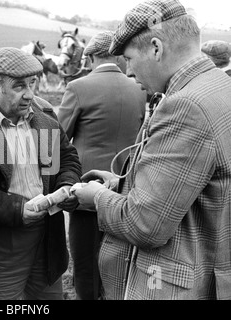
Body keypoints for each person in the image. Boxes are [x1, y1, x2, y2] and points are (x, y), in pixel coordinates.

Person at [70, 0, 231, 300]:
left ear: (156, 48)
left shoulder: (186, 106)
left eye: (129, 58)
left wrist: (99, 198)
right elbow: (192, 187)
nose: (128, 71)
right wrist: (123, 185)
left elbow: (145, 224)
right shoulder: (218, 86)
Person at [0, 47, 82, 300]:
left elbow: (68, 158)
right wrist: (16, 210)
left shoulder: (44, 113)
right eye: (19, 86)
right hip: (0, 243)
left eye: (33, 83)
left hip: (47, 240)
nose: (29, 95)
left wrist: (68, 186)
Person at [57, 31, 147, 300]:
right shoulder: (139, 88)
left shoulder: (78, 87)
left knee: (85, 264)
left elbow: (59, 137)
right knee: (118, 263)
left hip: (87, 188)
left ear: (92, 56)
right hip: (126, 189)